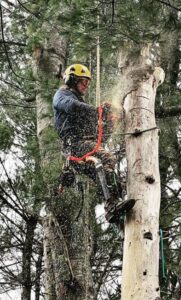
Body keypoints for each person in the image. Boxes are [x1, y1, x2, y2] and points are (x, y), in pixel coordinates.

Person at [52, 63, 135, 223]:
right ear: (72, 79)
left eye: (88, 83)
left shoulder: (81, 106)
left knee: (106, 172)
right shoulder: (62, 95)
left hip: (82, 147)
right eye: (83, 81)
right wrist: (97, 111)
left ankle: (114, 205)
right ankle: (111, 206)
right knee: (107, 159)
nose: (86, 86)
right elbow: (72, 106)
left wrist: (109, 122)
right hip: (75, 146)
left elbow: (99, 138)